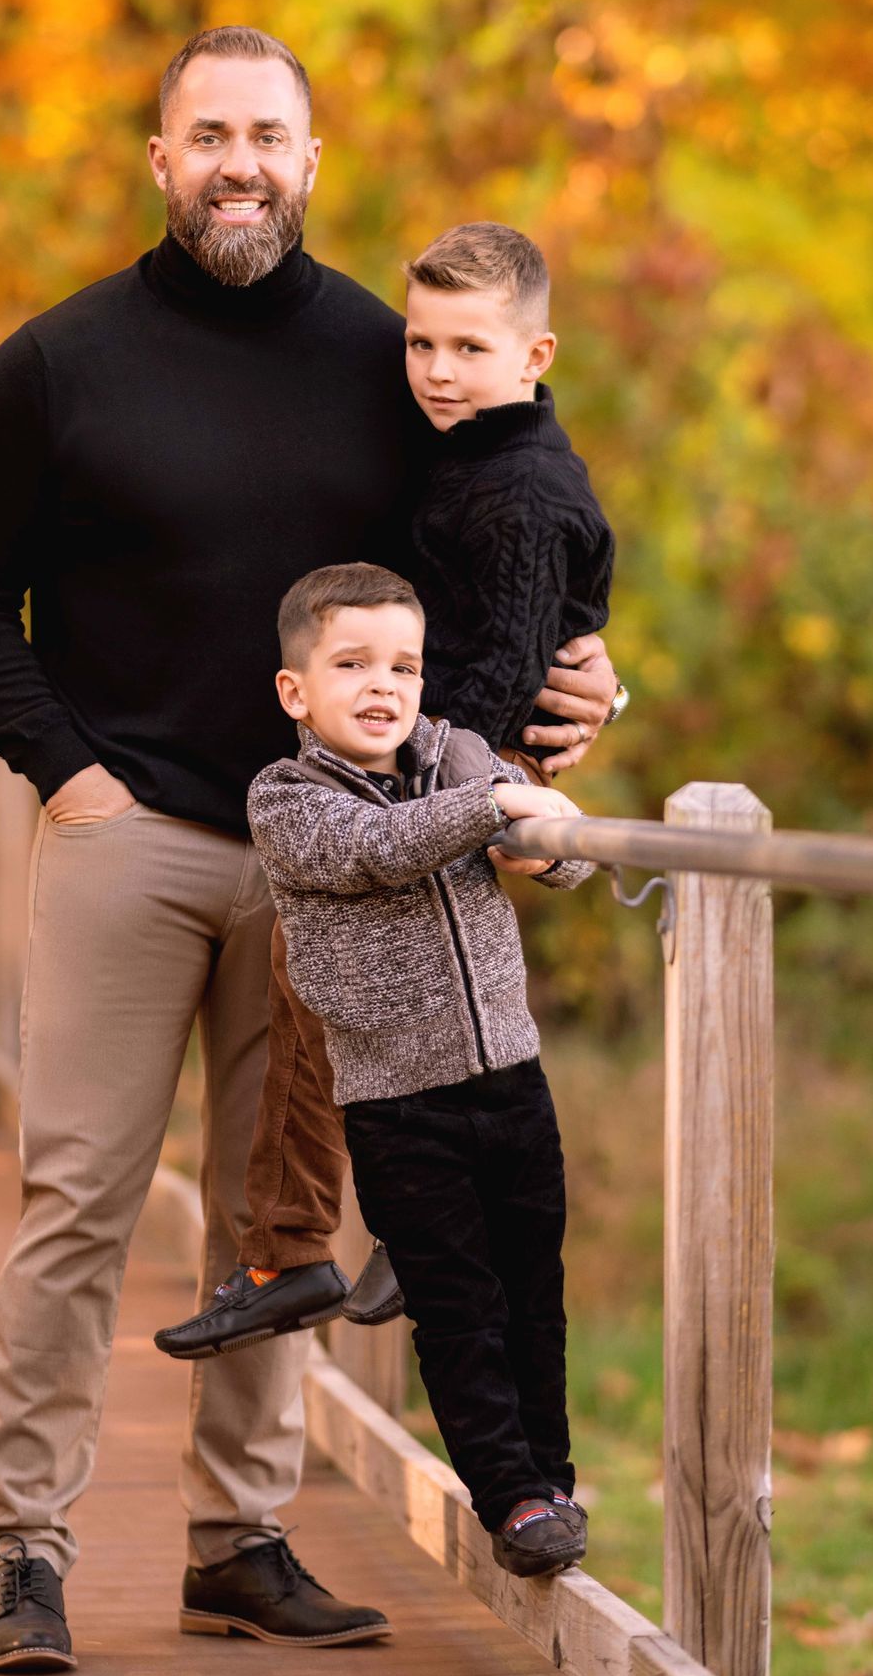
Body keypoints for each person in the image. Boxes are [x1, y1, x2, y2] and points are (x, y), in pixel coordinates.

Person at [0, 24, 618, 1674]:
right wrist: (69, 775)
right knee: (76, 1195)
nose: (240, 160)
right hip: (135, 834)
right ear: (160, 159)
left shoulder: (395, 365)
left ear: (313, 161)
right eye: (208, 131)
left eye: (270, 134)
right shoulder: (55, 363)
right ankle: (23, 1549)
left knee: (276, 1212)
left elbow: (506, 549)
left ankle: (240, 1538)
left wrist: (581, 676)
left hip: (342, 856)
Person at [158, 218, 617, 1363]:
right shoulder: (466, 454)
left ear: (536, 354)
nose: (439, 371)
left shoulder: (520, 490)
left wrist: (414, 791)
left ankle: (339, 1233)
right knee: (325, 998)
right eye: (422, 346)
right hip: (413, 767)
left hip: (446, 779)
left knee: (406, 1012)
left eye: (468, 347)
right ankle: (292, 1243)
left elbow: (509, 663)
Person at [244, 563, 595, 1578]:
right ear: (295, 690)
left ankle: (554, 1475)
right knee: (456, 1302)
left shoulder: (460, 755)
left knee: (535, 1287)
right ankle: (510, 1493)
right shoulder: (289, 798)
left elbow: (565, 855)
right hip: (398, 1101)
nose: (384, 685)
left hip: (511, 1078)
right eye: (351, 663)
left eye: (403, 663)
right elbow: (380, 849)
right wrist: (493, 802)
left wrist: (541, 833)